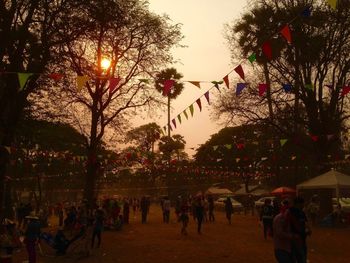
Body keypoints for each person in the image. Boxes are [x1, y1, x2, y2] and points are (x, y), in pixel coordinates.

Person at [289, 197, 311, 263]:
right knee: (298, 257)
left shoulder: (301, 212)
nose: (303, 205)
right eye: (302, 204)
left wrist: (308, 230)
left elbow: (305, 223)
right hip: (294, 238)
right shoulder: (291, 212)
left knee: (302, 257)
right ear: (298, 204)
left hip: (302, 238)